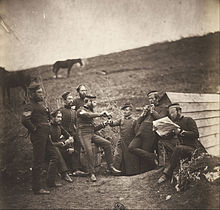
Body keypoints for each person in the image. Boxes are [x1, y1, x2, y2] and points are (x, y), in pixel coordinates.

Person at [21, 84, 61, 194]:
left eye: (41, 92)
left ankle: (50, 182)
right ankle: (37, 188)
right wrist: (34, 129)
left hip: (45, 135)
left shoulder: (41, 106)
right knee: (38, 161)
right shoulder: (29, 106)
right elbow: (25, 120)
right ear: (32, 94)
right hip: (38, 137)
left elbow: (47, 118)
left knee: (54, 156)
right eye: (39, 93)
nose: (41, 94)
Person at [76, 95, 121, 182]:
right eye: (94, 102)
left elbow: (93, 128)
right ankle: (92, 173)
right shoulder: (80, 110)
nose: (95, 104)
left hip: (91, 134)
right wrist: (100, 114)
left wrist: (103, 124)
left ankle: (110, 167)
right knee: (89, 151)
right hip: (83, 135)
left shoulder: (90, 111)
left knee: (107, 144)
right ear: (88, 101)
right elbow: (87, 115)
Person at [158, 103, 200, 184]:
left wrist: (181, 132)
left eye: (173, 112)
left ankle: (166, 174)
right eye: (170, 113)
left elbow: (196, 134)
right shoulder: (174, 123)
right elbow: (168, 137)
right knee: (162, 142)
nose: (171, 115)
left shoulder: (188, 120)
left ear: (179, 111)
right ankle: (166, 165)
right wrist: (159, 131)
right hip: (181, 149)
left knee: (178, 148)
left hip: (192, 149)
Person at [128, 90, 168, 173]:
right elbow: (138, 121)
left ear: (157, 98)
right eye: (149, 99)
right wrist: (143, 113)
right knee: (131, 147)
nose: (150, 100)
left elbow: (161, 120)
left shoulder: (163, 108)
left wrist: (153, 111)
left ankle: (146, 173)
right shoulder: (148, 108)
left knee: (145, 153)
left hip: (151, 133)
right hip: (141, 131)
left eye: (151, 98)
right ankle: (152, 156)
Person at [109, 102, 140, 175]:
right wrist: (109, 121)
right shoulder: (121, 120)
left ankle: (132, 172)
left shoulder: (134, 121)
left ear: (131, 111)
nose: (124, 112)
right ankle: (116, 171)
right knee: (118, 155)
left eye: (126, 110)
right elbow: (113, 123)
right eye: (124, 110)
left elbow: (137, 133)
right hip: (122, 141)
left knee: (130, 156)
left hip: (130, 141)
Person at [59, 91, 86, 176]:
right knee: (66, 149)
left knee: (78, 144)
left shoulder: (73, 111)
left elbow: (75, 124)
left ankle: (76, 169)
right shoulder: (61, 111)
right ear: (64, 101)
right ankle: (65, 170)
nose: (71, 100)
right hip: (63, 135)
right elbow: (56, 122)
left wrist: (77, 133)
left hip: (72, 133)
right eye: (69, 99)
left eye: (72, 99)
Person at [49, 109, 75, 183]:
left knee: (70, 149)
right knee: (56, 150)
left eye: (61, 117)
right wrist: (63, 143)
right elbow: (49, 143)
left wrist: (70, 139)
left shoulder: (59, 126)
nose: (60, 119)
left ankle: (72, 170)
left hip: (57, 146)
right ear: (52, 118)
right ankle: (64, 173)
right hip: (49, 148)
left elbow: (67, 135)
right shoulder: (48, 127)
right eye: (58, 117)